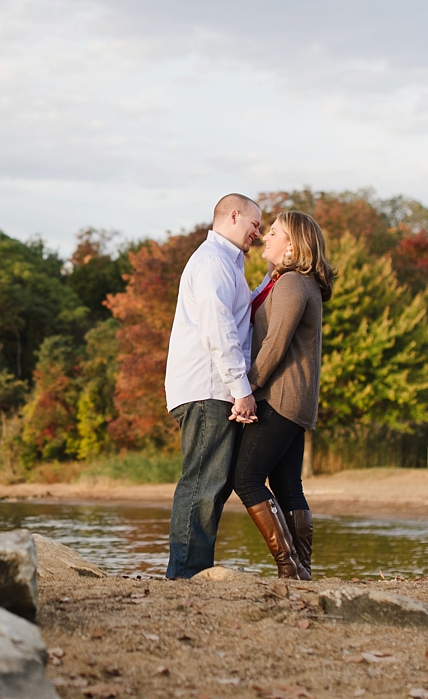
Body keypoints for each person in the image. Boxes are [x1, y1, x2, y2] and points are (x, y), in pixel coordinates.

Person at [164, 193, 262, 579]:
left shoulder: (228, 265)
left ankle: (188, 570)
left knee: (212, 483)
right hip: (208, 389)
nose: (257, 232)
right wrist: (242, 388)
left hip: (210, 389)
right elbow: (218, 330)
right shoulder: (212, 263)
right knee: (203, 483)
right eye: (254, 224)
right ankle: (185, 576)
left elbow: (237, 315)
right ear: (233, 215)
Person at [233, 210, 334, 580]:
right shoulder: (292, 281)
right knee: (288, 485)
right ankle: (301, 570)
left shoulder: (293, 282)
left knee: (246, 477)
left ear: (292, 245)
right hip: (294, 398)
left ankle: (289, 567)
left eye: (273, 232)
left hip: (280, 397)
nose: (265, 237)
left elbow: (276, 343)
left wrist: (247, 386)